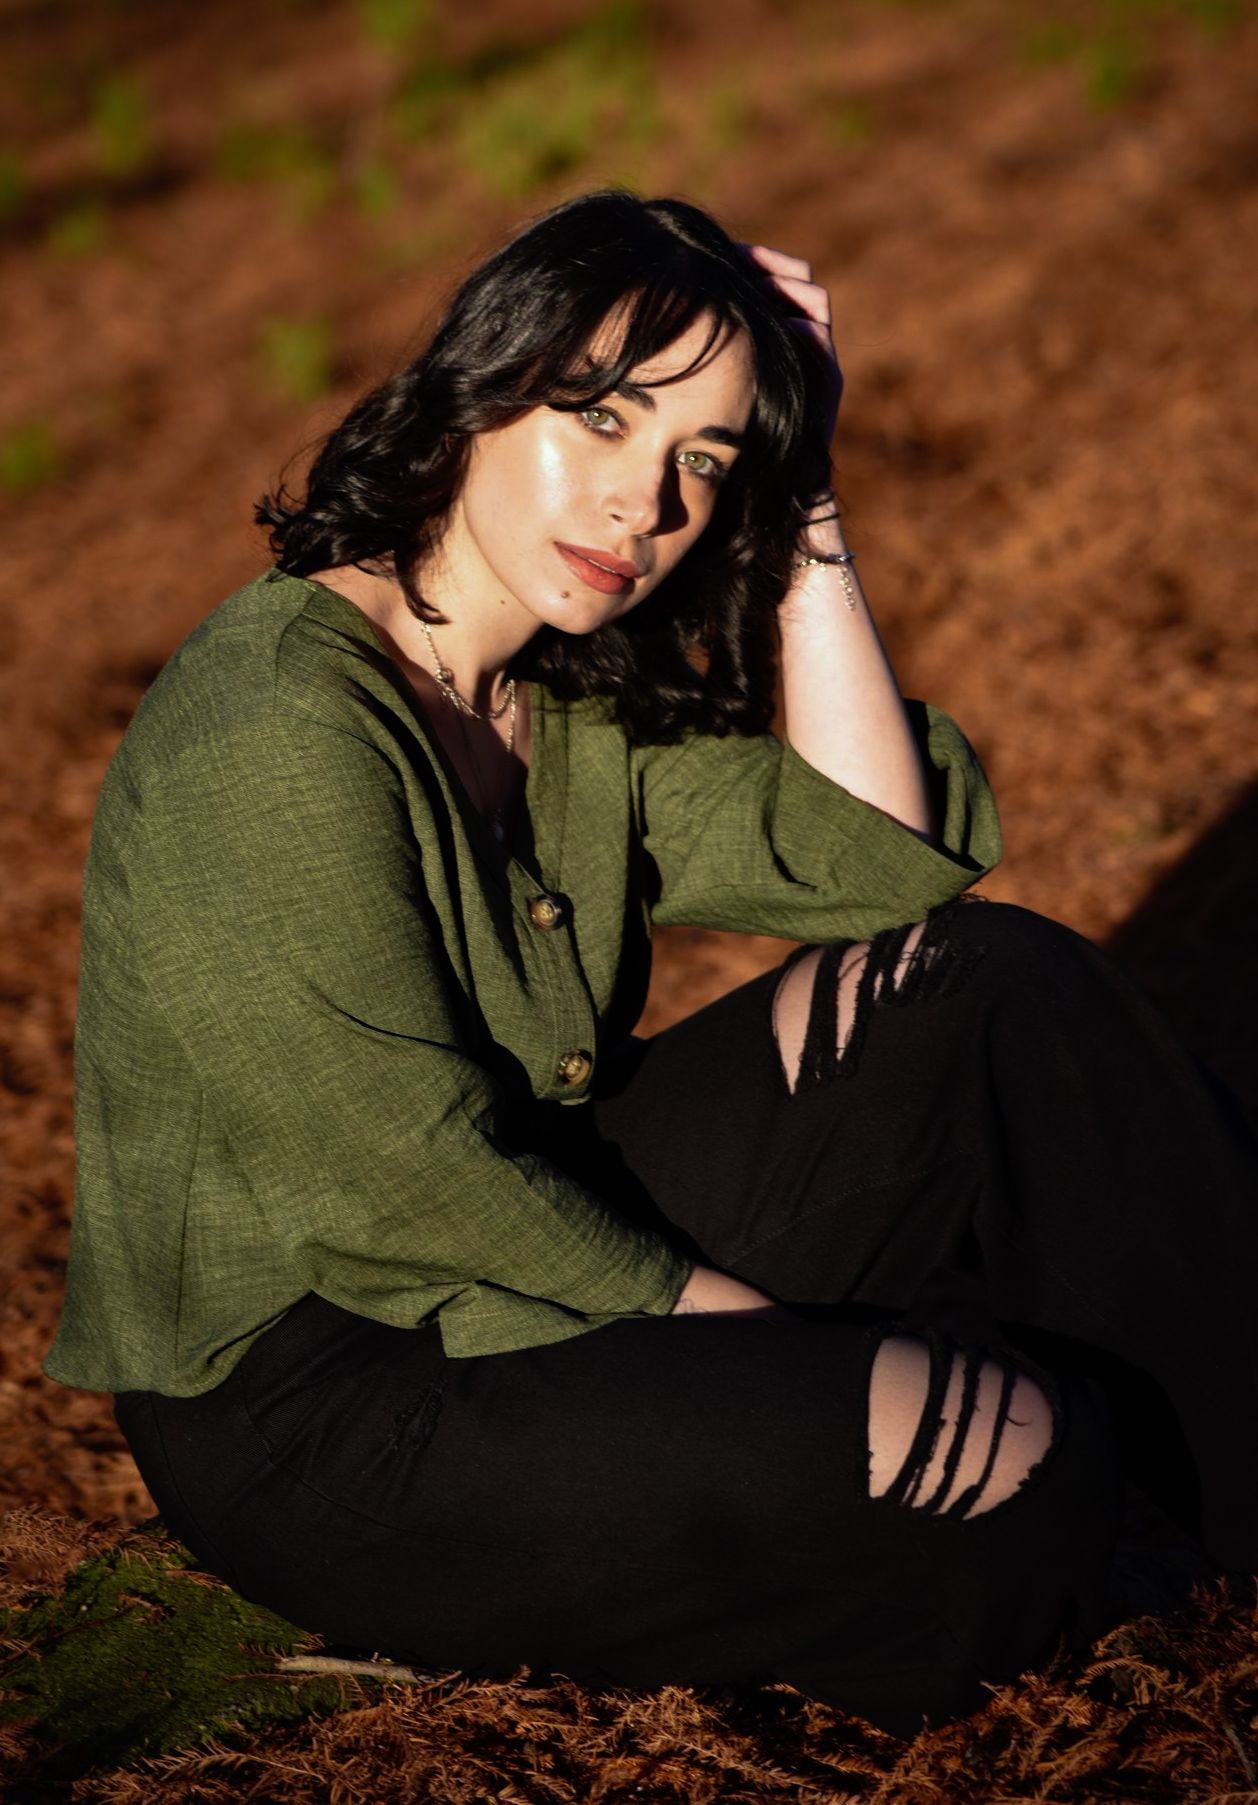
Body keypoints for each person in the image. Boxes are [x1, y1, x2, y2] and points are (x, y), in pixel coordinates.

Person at [44, 189, 1258, 1739]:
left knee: (989, 985)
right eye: (603, 417)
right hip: (334, 1399)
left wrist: (804, 494)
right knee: (1014, 1450)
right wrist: (753, 1333)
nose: (645, 502)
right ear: (478, 388)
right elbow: (403, 1189)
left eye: (704, 459)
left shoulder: (550, 691)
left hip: (538, 1215)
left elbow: (869, 849)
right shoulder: (274, 729)